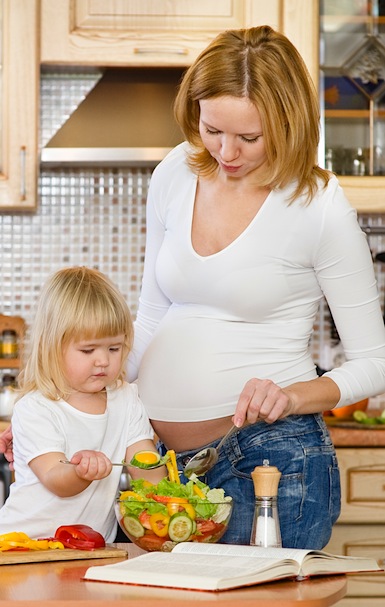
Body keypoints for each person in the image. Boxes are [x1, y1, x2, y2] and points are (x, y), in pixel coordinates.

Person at [2, 25, 385, 549]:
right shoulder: (175, 173)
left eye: (249, 137)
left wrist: (292, 395)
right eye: (211, 129)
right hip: (158, 467)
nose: (226, 151)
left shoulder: (319, 206)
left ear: (289, 122)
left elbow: (375, 361)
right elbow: (153, 318)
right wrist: (60, 414)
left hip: (268, 459)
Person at [0, 266, 165, 542]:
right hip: (23, 545)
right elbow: (55, 476)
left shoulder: (126, 399)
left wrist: (170, 486)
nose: (103, 360)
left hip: (89, 547)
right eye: (88, 350)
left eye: (114, 348)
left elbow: (146, 467)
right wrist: (80, 471)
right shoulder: (36, 408)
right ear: (52, 346)